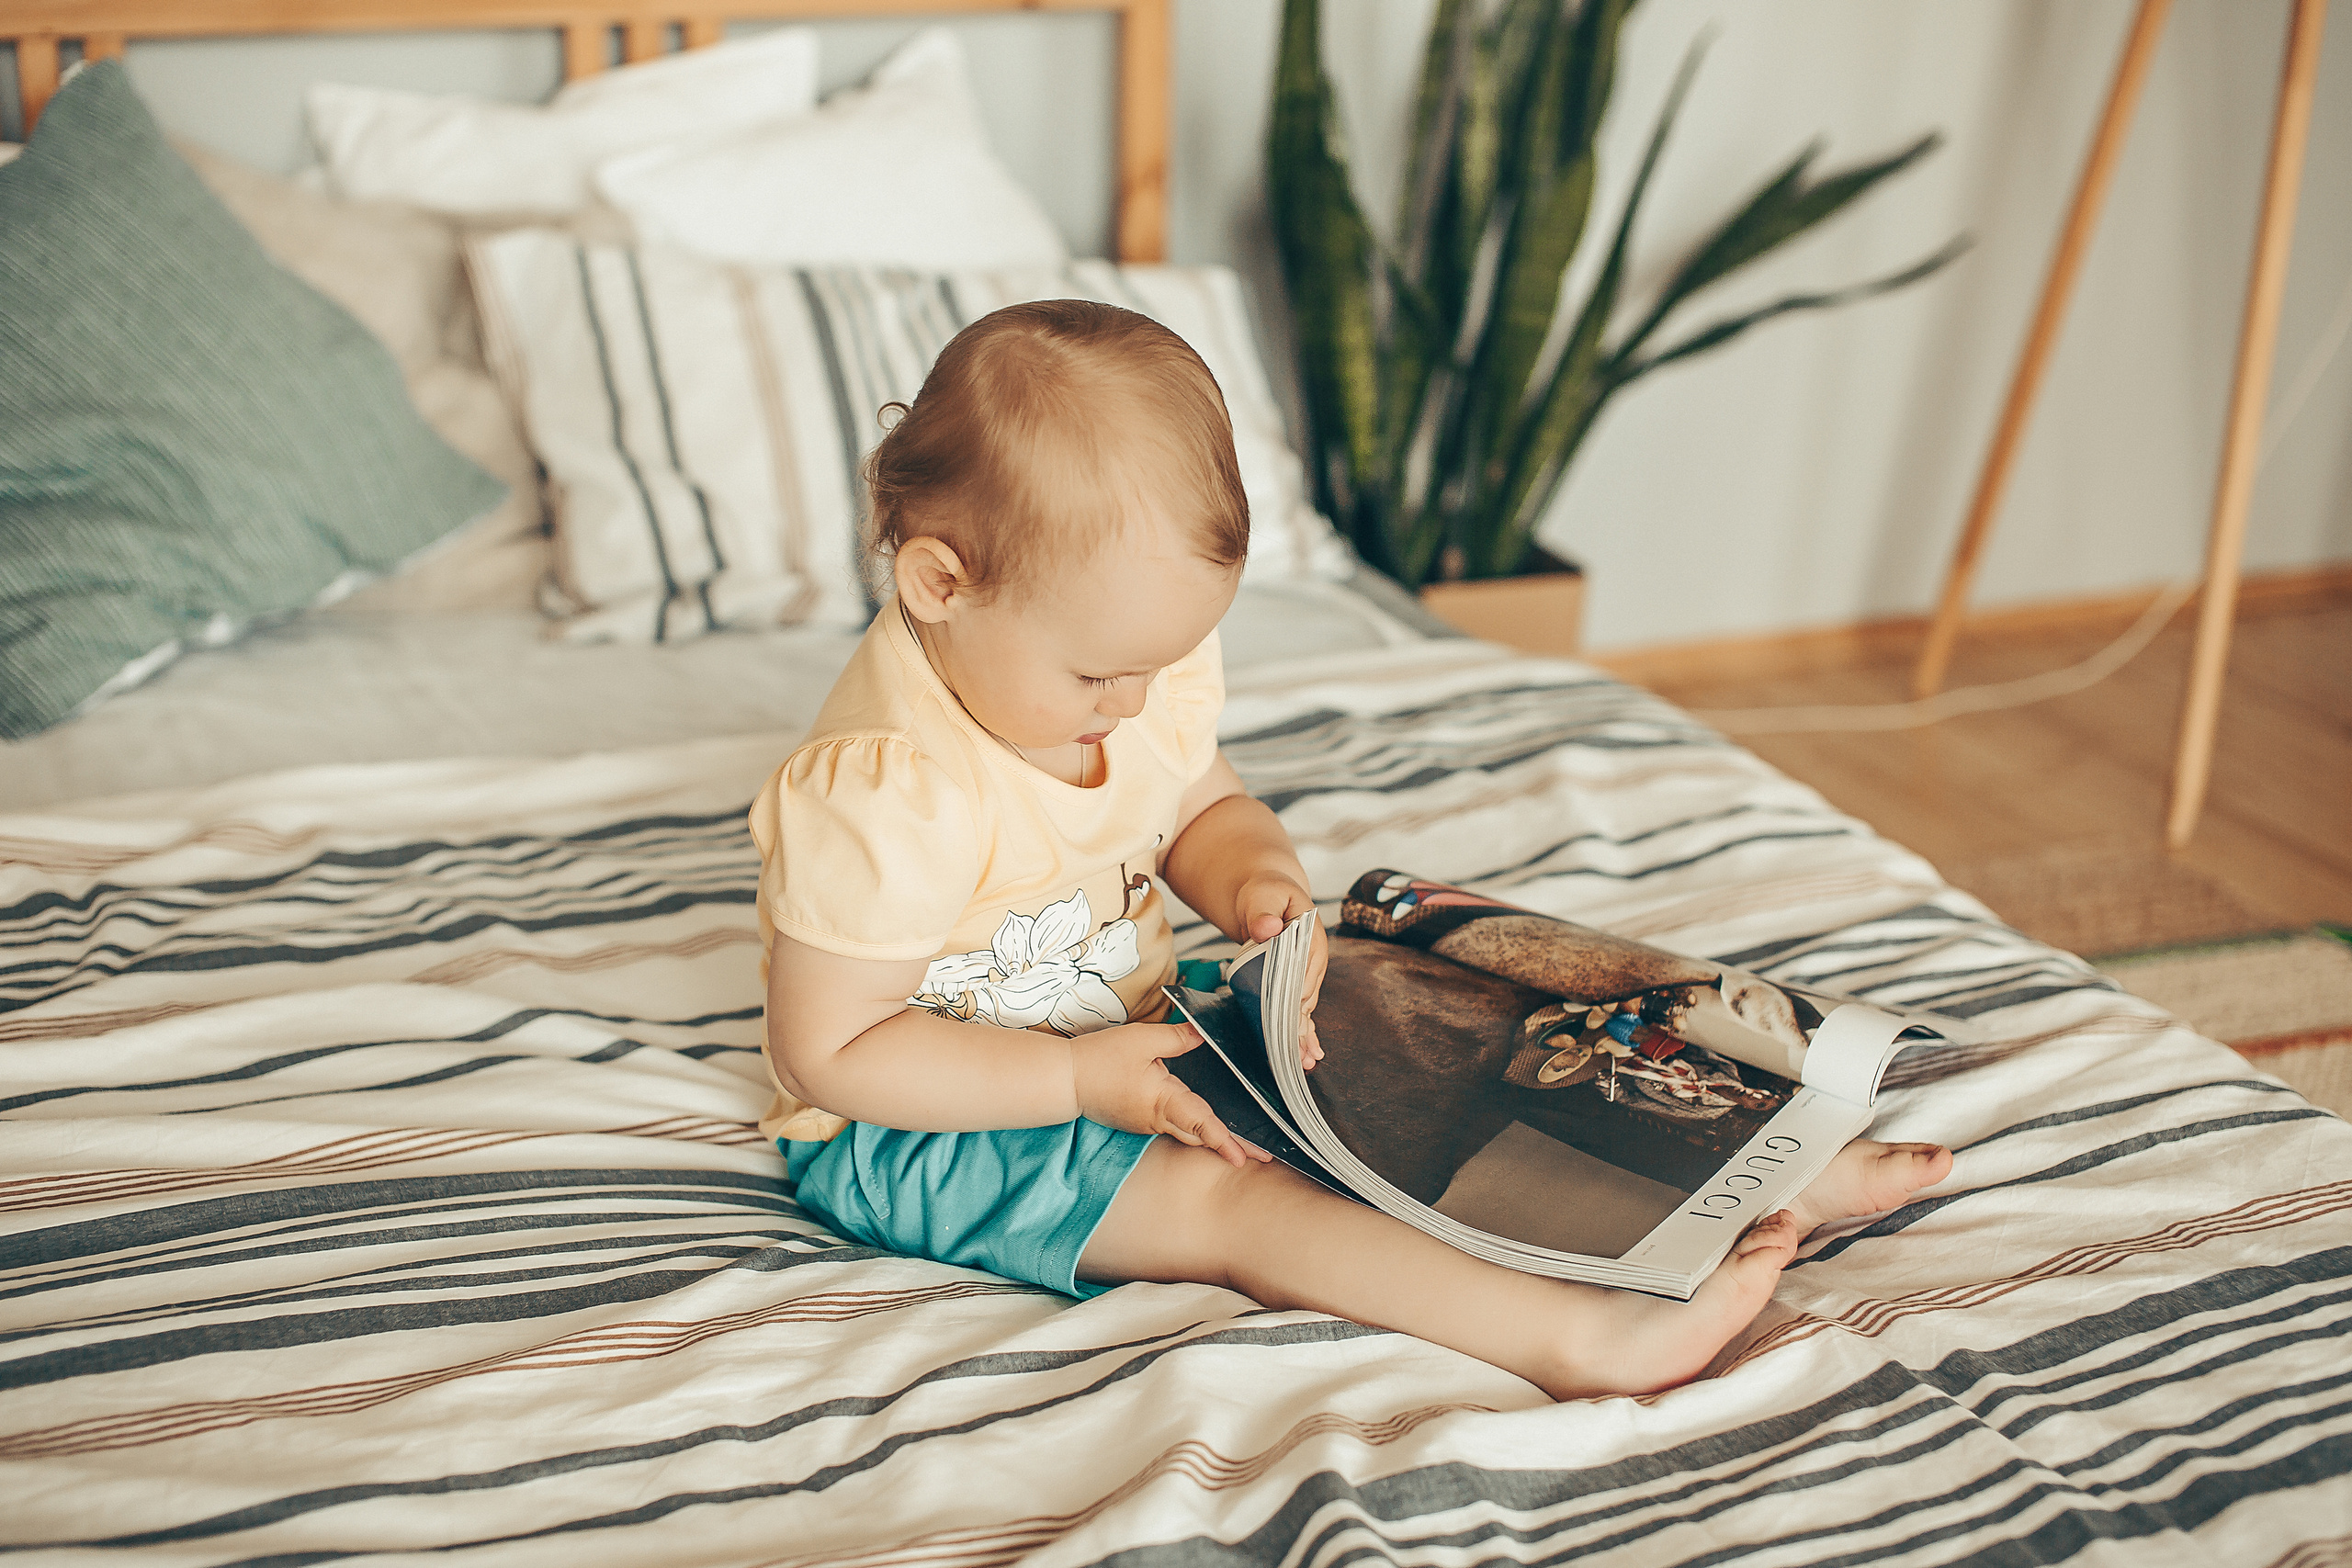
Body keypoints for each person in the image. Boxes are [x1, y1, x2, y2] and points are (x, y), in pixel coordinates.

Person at [750, 299, 1951, 1400]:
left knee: (1427, 1055)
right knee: (1241, 1204)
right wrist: (1075, 1082)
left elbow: (1200, 810)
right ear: (940, 583)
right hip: (932, 1129)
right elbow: (831, 1055)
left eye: (1160, 667)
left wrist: (1260, 882)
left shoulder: (1127, 670)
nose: (1134, 701)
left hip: (1136, 1038)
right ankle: (1579, 1340)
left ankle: (1735, 1181)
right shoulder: (888, 797)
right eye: (1100, 674)